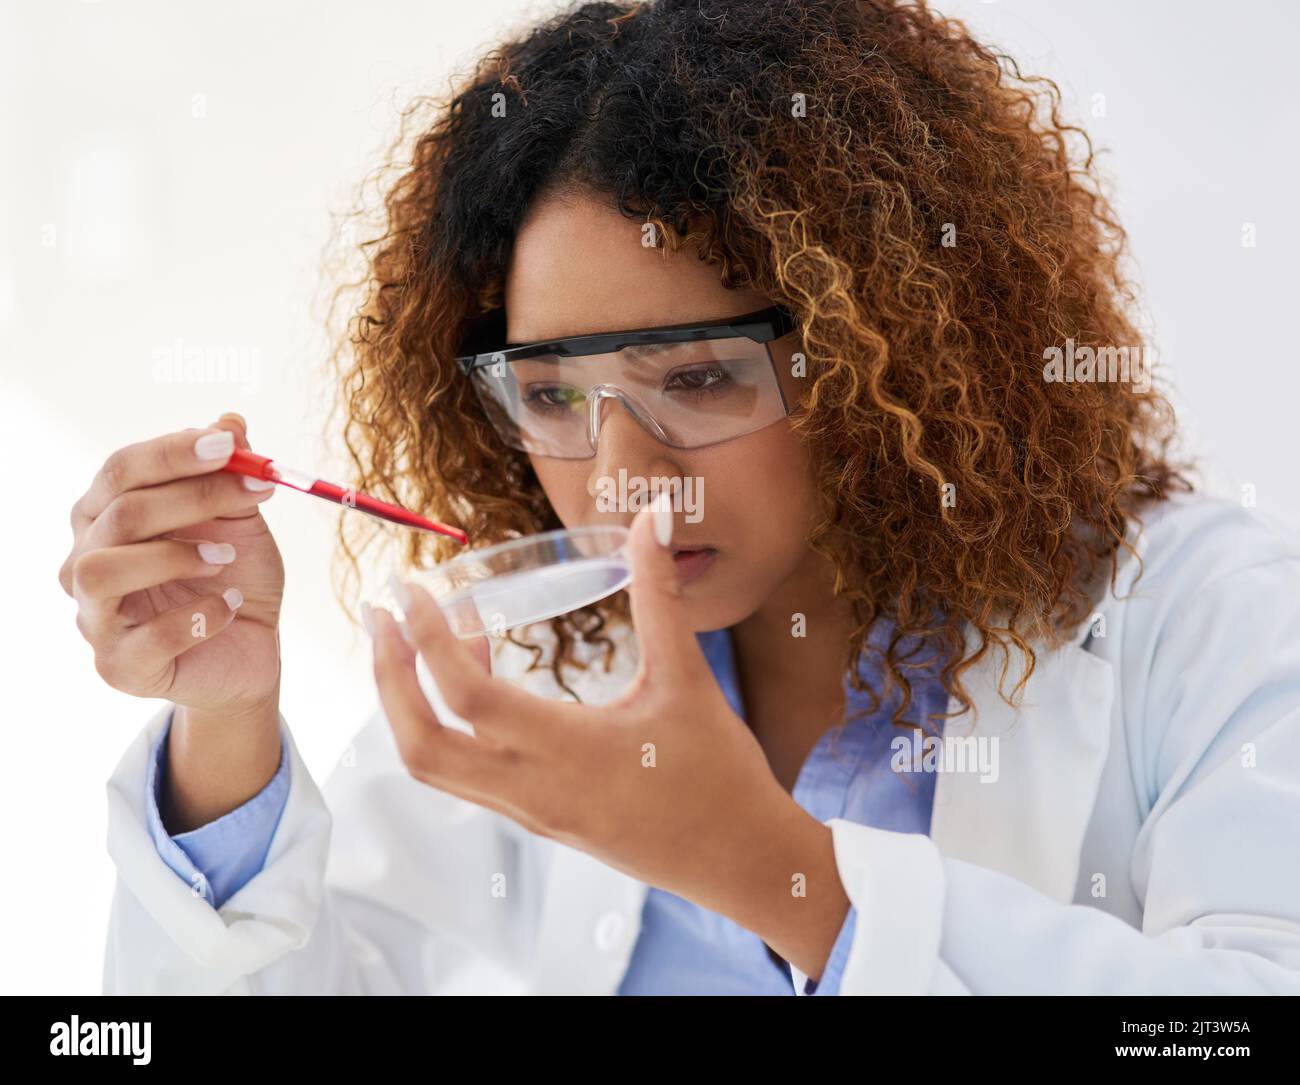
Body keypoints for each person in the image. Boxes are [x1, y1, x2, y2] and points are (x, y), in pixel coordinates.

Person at [64, 0, 1300, 994]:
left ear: (895, 353)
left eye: (702, 376)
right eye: (549, 394)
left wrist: (772, 871)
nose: (621, 484)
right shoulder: (530, 659)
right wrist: (224, 726)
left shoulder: (1199, 620)